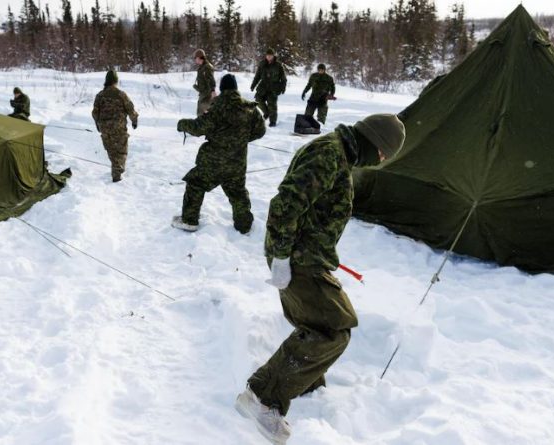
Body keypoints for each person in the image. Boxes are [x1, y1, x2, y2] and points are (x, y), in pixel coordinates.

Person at [235, 114, 406, 445]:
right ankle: (262, 397)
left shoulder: (339, 152)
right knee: (333, 328)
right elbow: (285, 205)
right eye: (382, 154)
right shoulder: (329, 154)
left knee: (316, 321)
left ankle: (305, 382)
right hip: (299, 259)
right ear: (373, 142)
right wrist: (281, 257)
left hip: (306, 255)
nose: (380, 161)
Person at [172, 74, 266, 234]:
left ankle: (189, 221)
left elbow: (198, 128)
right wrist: (240, 139)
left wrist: (182, 124)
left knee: (195, 184)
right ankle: (244, 226)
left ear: (222, 89)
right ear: (235, 88)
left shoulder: (217, 107)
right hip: (237, 162)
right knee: (237, 192)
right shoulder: (250, 108)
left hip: (213, 162)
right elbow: (260, 131)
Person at [92, 70, 139, 182]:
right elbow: (130, 109)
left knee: (111, 151)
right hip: (119, 129)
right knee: (121, 152)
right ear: (116, 81)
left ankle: (116, 170)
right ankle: (117, 175)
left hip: (105, 129)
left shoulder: (100, 95)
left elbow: (95, 113)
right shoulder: (121, 94)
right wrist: (134, 120)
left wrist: (98, 124)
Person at [250, 48, 287, 127]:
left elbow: (283, 78)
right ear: (266, 56)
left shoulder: (278, 65)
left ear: (273, 56)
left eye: (270, 55)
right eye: (268, 55)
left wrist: (283, 87)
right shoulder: (262, 64)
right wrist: (253, 85)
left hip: (273, 87)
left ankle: (273, 121)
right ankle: (266, 113)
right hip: (263, 86)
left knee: (272, 105)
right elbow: (257, 76)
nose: (269, 57)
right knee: (258, 100)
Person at [193, 49, 216, 116]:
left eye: (195, 58)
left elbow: (211, 80)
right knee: (200, 114)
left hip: (207, 96)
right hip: (203, 94)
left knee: (203, 116)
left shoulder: (207, 67)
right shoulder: (202, 67)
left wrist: (213, 91)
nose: (195, 60)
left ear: (199, 57)